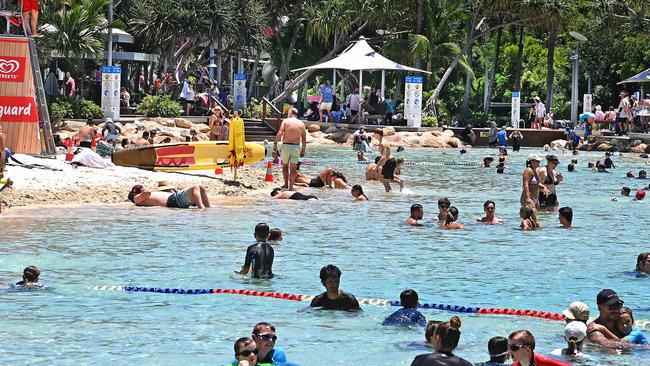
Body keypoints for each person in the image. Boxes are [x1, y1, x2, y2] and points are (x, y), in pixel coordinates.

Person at [274, 108, 307, 191]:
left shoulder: (285, 121)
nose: (287, 114)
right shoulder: (301, 124)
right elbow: (304, 139)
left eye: (288, 113)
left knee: (285, 166)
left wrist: (275, 144)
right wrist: (303, 150)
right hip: (296, 147)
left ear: (291, 113)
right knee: (293, 168)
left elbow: (280, 133)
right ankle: (291, 187)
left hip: (286, 146)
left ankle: (286, 184)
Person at [128, 184, 211, 209]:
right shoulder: (136, 198)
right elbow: (148, 192)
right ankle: (201, 209)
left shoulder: (140, 197)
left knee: (201, 188)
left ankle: (208, 208)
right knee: (195, 187)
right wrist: (145, 189)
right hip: (173, 200)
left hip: (174, 199)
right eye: (140, 190)